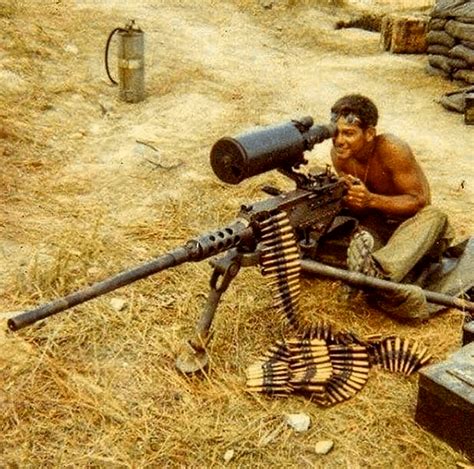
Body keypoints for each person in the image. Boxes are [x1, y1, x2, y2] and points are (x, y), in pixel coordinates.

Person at [327, 94, 453, 319]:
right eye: (335, 132)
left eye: (349, 133)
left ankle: (378, 273)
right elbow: (361, 211)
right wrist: (349, 198)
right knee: (355, 234)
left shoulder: (392, 149)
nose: (339, 140)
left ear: (369, 134)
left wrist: (371, 200)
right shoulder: (341, 156)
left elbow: (419, 201)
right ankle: (375, 277)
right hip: (379, 228)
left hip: (414, 231)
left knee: (436, 215)